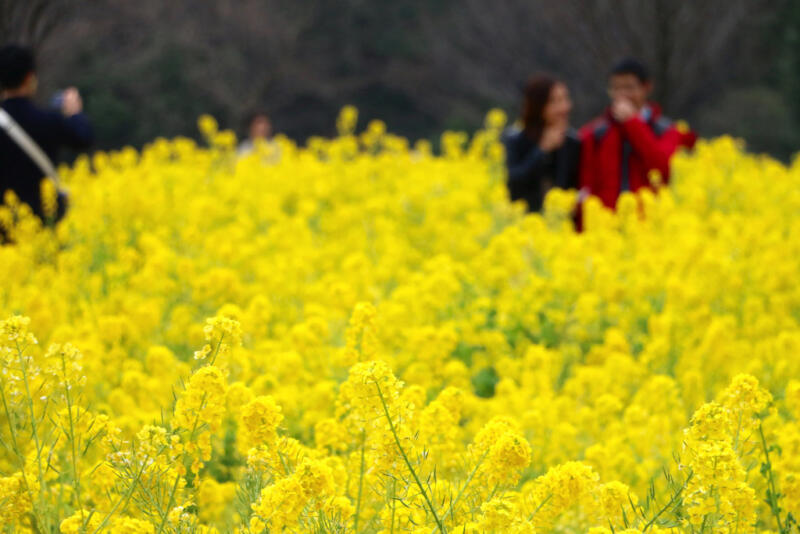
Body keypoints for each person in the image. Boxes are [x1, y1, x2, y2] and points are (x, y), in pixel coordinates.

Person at [579, 58, 696, 210]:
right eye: (616, 89)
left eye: (629, 88)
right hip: (604, 225)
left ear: (646, 88)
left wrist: (633, 123)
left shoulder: (666, 130)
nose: (622, 95)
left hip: (650, 224)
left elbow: (661, 169)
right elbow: (585, 187)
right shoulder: (595, 133)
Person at [0, 44, 92, 224]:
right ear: (29, 78)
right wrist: (75, 113)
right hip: (44, 222)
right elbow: (83, 138)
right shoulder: (48, 121)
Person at [503, 74, 581, 212]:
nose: (564, 107)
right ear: (538, 106)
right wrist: (542, 151)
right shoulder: (515, 139)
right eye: (554, 101)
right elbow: (513, 184)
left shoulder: (573, 142)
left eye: (565, 99)